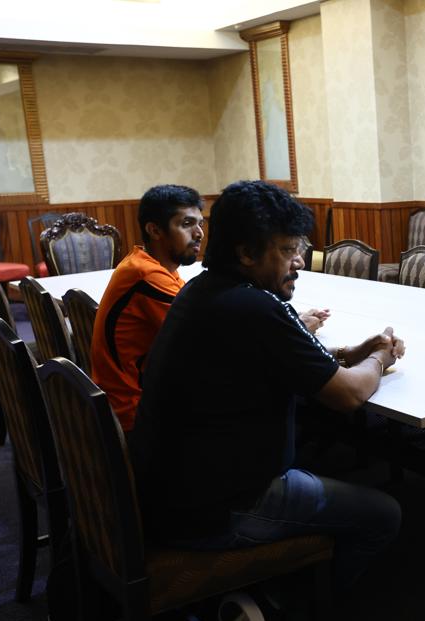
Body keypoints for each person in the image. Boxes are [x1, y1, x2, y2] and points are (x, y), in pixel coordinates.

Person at [131, 180, 404, 589]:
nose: (300, 262)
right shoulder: (255, 306)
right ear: (246, 253)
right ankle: (311, 611)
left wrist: (350, 353)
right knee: (384, 514)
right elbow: (349, 395)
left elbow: (280, 356)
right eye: (288, 250)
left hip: (168, 492)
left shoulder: (203, 291)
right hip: (218, 510)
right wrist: (381, 357)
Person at [90, 184, 205, 432]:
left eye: (200, 224)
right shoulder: (146, 275)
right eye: (187, 224)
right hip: (135, 415)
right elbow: (205, 340)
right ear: (154, 230)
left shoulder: (148, 265)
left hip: (131, 400)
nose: (199, 234)